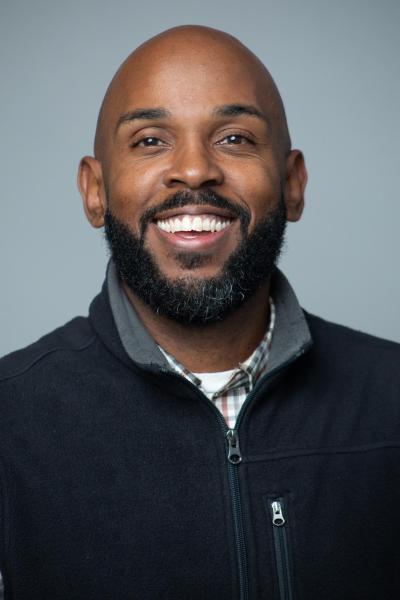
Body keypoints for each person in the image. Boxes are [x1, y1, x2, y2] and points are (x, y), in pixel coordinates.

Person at [0, 24, 399, 600]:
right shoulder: (10, 426)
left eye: (235, 138)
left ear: (292, 184)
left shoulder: (390, 397)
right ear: (95, 191)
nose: (193, 170)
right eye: (150, 141)